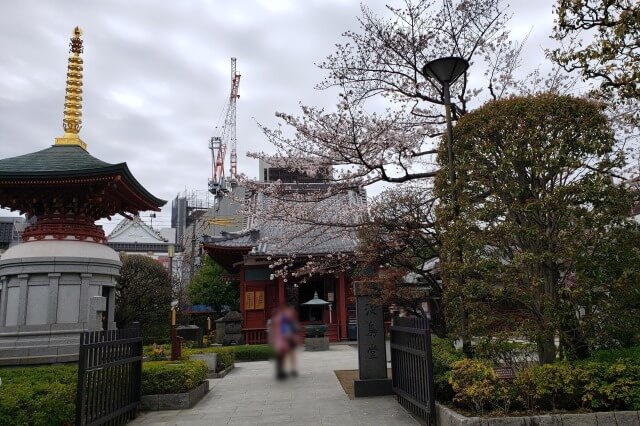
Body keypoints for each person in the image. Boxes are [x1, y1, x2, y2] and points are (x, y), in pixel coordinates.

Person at [270, 304, 300, 379]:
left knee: (283, 356)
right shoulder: (283, 319)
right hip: (283, 339)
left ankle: (283, 371)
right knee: (282, 356)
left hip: (282, 339)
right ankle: (281, 372)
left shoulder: (280, 319)